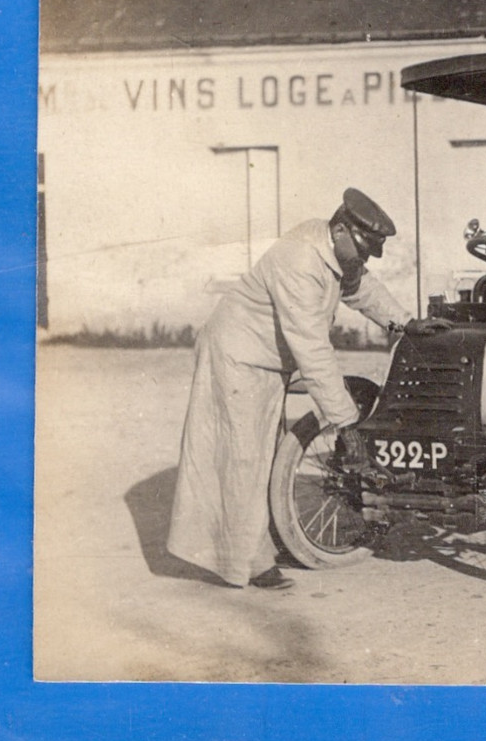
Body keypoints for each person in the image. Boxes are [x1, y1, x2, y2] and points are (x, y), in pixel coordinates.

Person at [167, 188, 425, 591]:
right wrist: (346, 423)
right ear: (340, 228)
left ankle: (263, 547)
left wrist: (405, 323)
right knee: (243, 459)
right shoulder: (300, 259)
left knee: (263, 456)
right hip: (238, 357)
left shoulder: (338, 250)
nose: (363, 260)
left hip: (269, 361)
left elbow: (361, 289)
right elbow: (313, 349)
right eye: (362, 249)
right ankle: (248, 564)